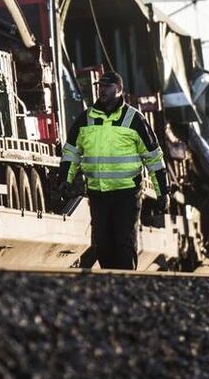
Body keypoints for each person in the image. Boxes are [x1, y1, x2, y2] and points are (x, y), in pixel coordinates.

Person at [57, 71, 169, 270]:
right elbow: (71, 153)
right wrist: (65, 179)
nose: (102, 90)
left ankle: (125, 281)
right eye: (100, 86)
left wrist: (162, 192)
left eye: (107, 87)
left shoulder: (135, 119)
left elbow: (153, 158)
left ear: (119, 90)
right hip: (98, 193)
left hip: (127, 193)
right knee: (103, 244)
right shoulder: (86, 119)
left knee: (124, 243)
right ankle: (109, 281)